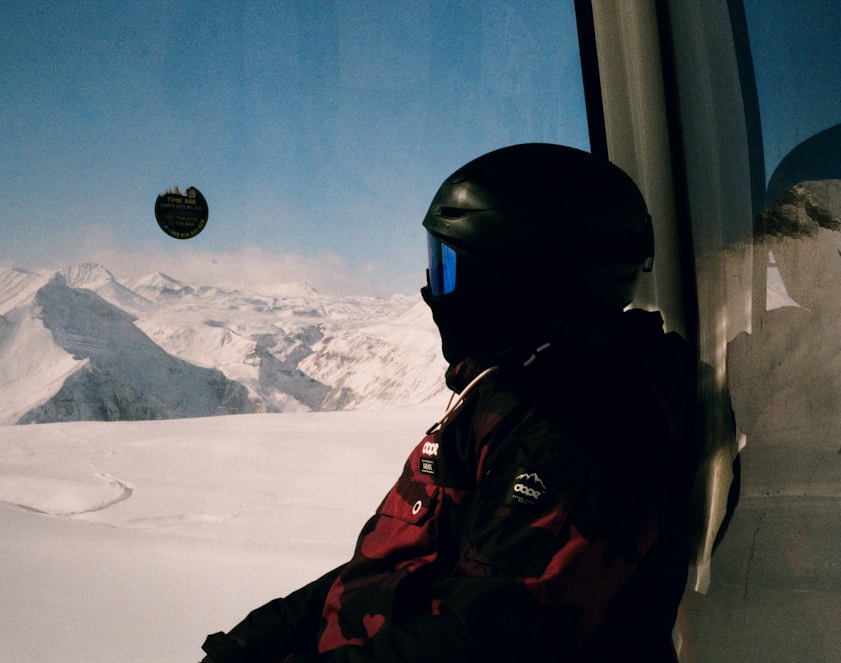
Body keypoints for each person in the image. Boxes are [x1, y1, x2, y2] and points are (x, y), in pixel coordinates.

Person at [200, 143, 698, 662]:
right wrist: (253, 641)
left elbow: (485, 640)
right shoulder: (506, 393)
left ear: (524, 278)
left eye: (450, 268)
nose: (433, 290)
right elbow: (394, 565)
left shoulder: (581, 426)